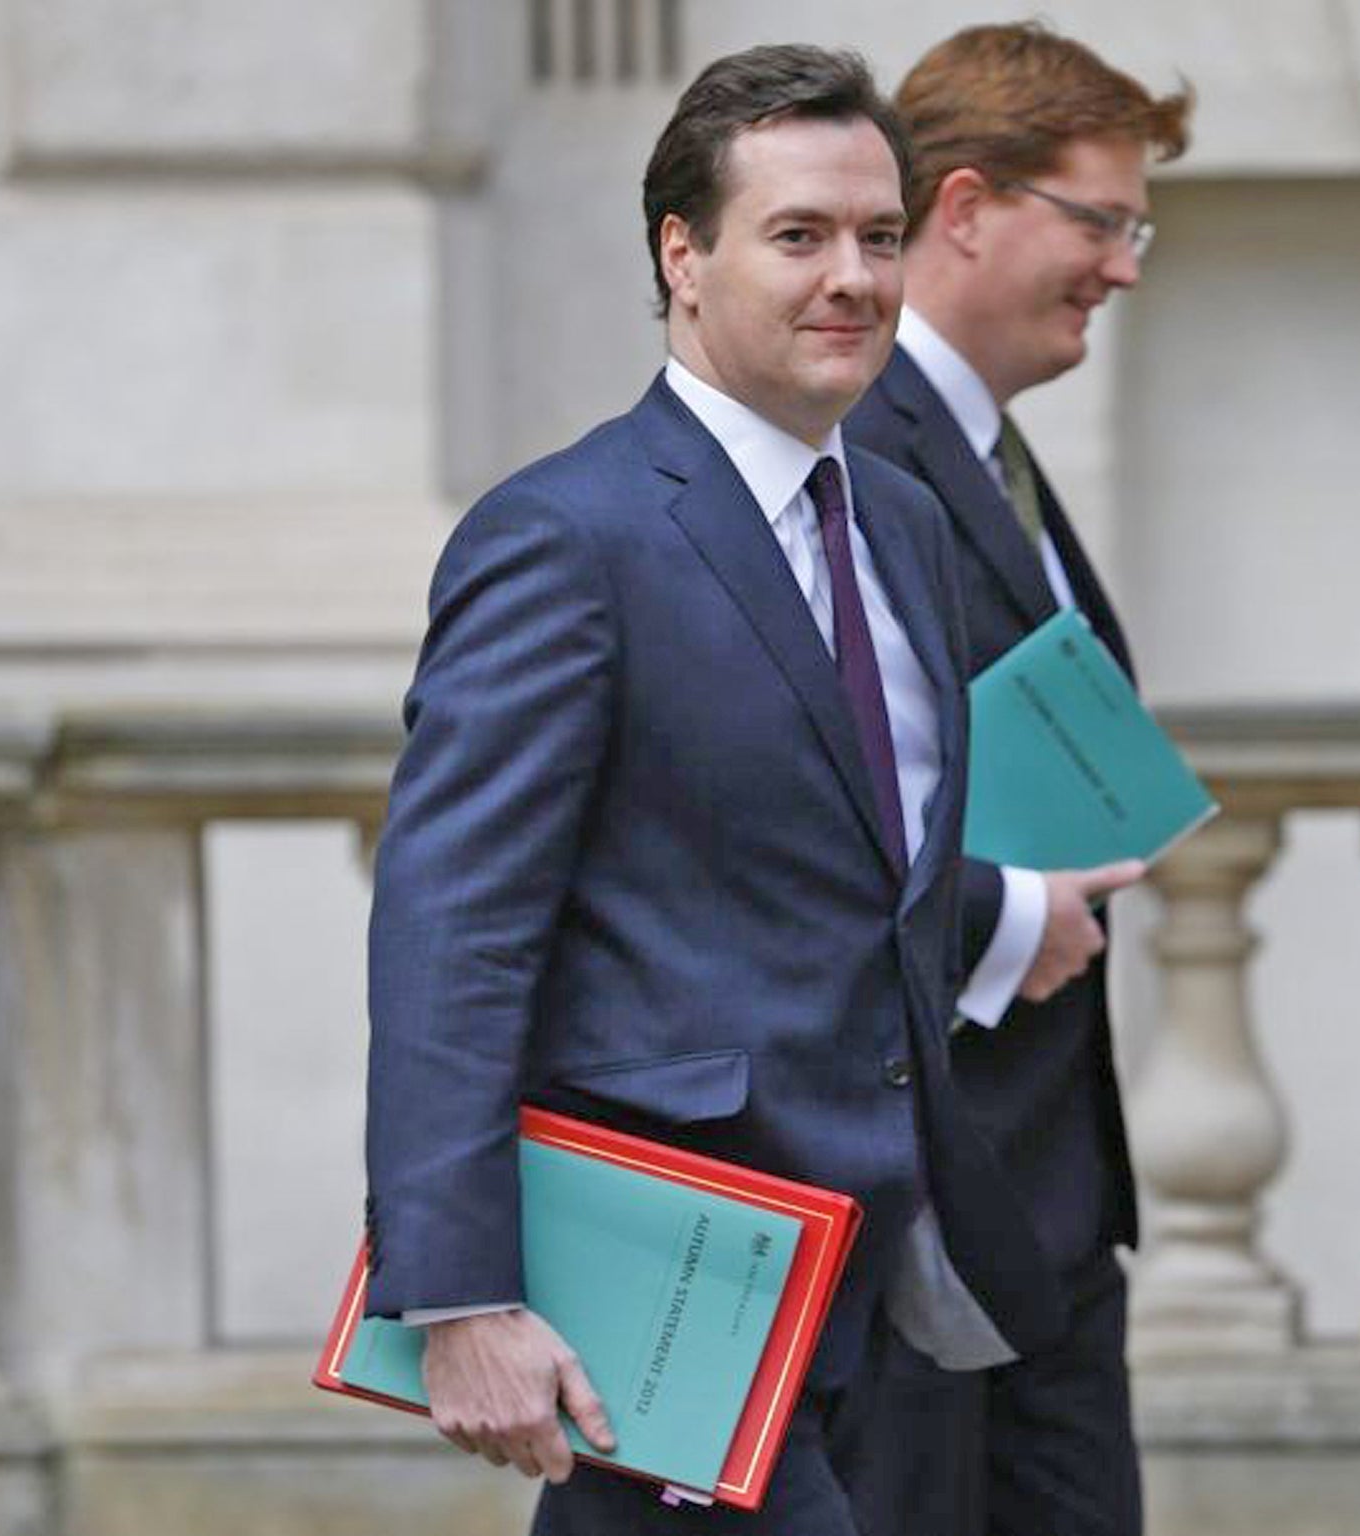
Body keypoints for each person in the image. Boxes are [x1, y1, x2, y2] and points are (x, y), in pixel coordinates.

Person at [361, 42, 1060, 1536]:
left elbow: (879, 882)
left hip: (899, 1288)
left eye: (880, 239)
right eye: (799, 236)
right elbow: (453, 932)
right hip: (677, 1288)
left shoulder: (913, 527)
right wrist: (461, 1288)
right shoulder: (568, 537)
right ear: (682, 253)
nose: (854, 280)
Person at [836, 23, 1193, 1536]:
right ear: (967, 208)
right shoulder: (850, 444)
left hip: (1040, 1207)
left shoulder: (993, 453)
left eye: (1136, 229)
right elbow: (806, 817)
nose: (1123, 267)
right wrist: (1005, 915)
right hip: (912, 1215)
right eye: (1102, 223)